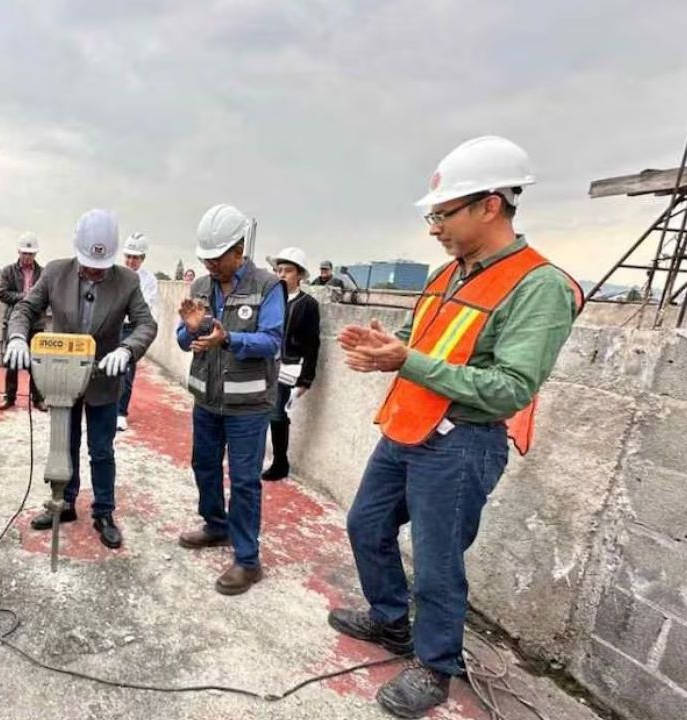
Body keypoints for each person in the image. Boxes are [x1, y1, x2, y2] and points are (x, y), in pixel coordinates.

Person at [331, 136, 580, 718]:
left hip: (463, 443)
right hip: (407, 429)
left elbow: (512, 388)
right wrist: (386, 349)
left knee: (439, 562)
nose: (434, 228)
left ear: (490, 205)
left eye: (443, 214)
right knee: (365, 524)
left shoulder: (538, 286)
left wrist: (406, 361)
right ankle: (391, 621)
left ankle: (435, 665)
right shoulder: (448, 277)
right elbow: (427, 350)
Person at [4, 209, 158, 550]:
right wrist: (17, 337)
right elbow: (25, 309)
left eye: (100, 267)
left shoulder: (127, 282)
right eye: (88, 263)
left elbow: (147, 324)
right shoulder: (56, 273)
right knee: (64, 444)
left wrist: (127, 350)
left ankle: (103, 512)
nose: (93, 271)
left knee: (101, 451)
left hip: (103, 380)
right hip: (61, 377)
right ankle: (65, 501)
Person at [176, 204, 284, 596]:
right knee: (203, 465)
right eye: (205, 257)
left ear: (239, 250)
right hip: (207, 401)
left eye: (216, 257)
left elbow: (273, 342)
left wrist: (230, 339)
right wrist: (189, 333)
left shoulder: (267, 286)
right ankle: (215, 525)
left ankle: (247, 559)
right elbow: (183, 338)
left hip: (248, 407)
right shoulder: (201, 287)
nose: (209, 265)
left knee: (243, 481)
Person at [261, 247, 320, 481]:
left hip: (289, 367)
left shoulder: (308, 304)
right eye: (279, 270)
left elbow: (312, 343)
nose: (282, 274)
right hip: (265, 363)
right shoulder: (270, 298)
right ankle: (265, 456)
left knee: (277, 414)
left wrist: (306, 378)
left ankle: (280, 461)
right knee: (260, 412)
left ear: (300, 275)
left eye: (288, 270)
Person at [0, 232, 47, 412]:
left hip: (36, 324)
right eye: (25, 253)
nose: (27, 257)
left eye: (31, 254)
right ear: (18, 252)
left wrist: (35, 300)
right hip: (13, 321)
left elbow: (47, 296)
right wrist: (25, 297)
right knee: (12, 361)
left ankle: (38, 398)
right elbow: (2, 293)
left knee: (37, 363)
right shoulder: (8, 271)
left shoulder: (43, 273)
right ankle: (9, 397)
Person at [117, 232, 160, 431]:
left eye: (135, 257)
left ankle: (120, 412)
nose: (131, 261)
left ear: (143, 259)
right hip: (112, 326)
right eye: (128, 256)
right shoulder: (113, 273)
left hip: (131, 329)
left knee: (126, 371)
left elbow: (145, 307)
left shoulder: (149, 280)